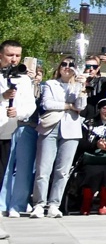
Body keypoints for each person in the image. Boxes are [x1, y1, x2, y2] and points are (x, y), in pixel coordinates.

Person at [32, 62, 86, 217]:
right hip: (50, 127)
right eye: (64, 64)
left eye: (71, 65)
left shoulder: (78, 86)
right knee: (43, 169)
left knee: (62, 171)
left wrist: (82, 88)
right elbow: (47, 103)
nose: (67, 67)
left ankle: (54, 204)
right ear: (59, 67)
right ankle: (39, 204)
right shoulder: (51, 84)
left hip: (71, 129)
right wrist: (69, 105)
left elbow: (81, 107)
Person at [1, 39, 39, 217]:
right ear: (1, 55)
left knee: (16, 170)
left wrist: (18, 113)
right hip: (2, 128)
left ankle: (13, 205)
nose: (14, 59)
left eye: (17, 55)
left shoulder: (23, 79)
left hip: (15, 129)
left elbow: (30, 105)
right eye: (10, 55)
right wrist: (3, 96)